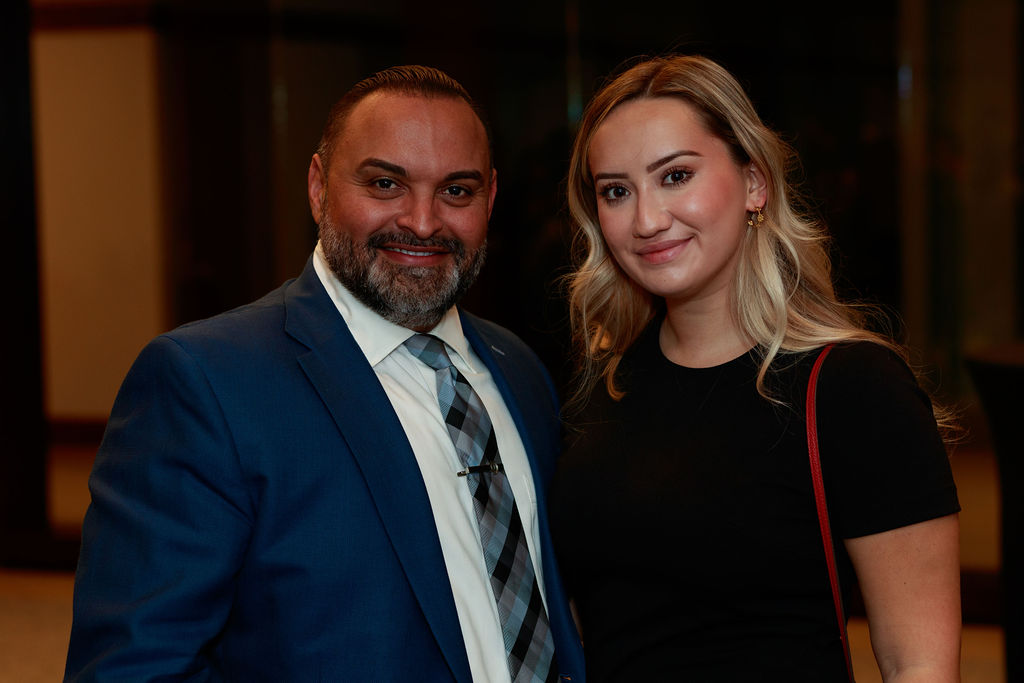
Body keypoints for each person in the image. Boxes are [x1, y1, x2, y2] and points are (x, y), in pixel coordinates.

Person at [65, 65, 585, 683]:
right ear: (318, 188)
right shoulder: (206, 384)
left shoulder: (518, 370)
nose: (422, 222)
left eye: (456, 191)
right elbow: (134, 668)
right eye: (386, 183)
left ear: (490, 199)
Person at [550, 55, 961, 682]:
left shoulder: (855, 388)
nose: (647, 220)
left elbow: (920, 666)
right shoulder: (601, 392)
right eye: (616, 191)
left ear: (754, 183)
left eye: (676, 176)